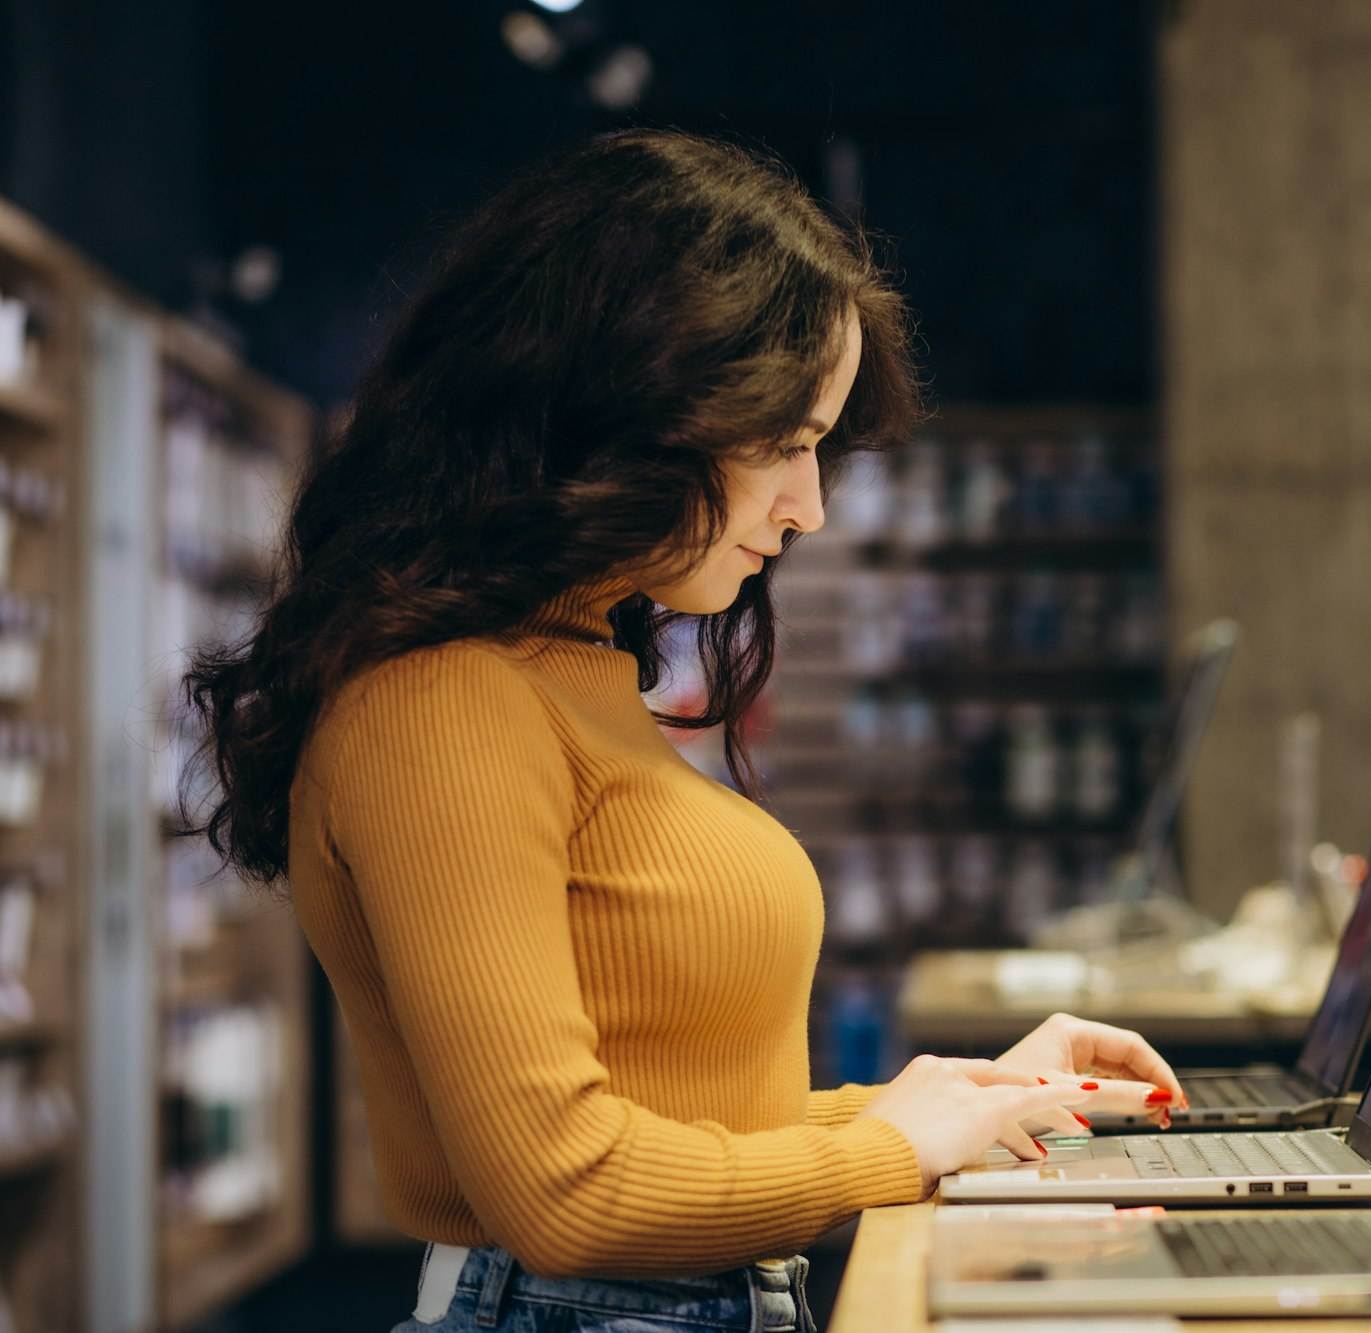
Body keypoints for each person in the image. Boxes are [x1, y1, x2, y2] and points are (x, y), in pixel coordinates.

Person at [181, 128, 1188, 1332]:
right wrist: (893, 1147)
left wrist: (945, 1102)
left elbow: (665, 1125)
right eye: (785, 443)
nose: (808, 507)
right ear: (634, 402)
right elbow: (568, 1193)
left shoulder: (559, 667)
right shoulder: (441, 703)